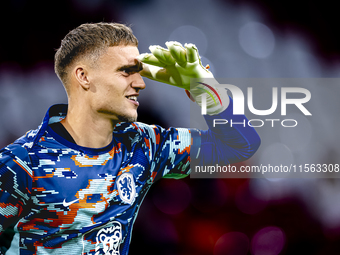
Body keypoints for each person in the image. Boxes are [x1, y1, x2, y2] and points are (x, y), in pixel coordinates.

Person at [0, 22, 260, 254]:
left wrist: (204, 88)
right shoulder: (21, 163)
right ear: (84, 77)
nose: (140, 83)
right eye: (124, 72)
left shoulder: (144, 145)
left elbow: (240, 145)